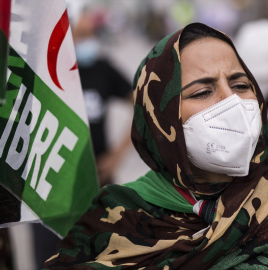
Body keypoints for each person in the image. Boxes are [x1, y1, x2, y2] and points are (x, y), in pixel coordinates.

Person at [44, 22, 268, 269]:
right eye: (203, 92)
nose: (232, 99)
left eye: (241, 85)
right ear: (161, 120)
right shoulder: (113, 217)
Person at [73, 9, 133, 187]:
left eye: (92, 33)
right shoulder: (52, 72)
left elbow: (144, 107)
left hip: (99, 175)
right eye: (82, 34)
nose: (89, 40)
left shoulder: (103, 68)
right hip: (59, 178)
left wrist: (117, 155)